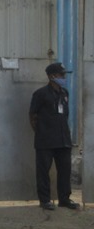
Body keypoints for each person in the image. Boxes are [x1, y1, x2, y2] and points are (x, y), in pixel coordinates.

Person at [28, 62, 79, 210]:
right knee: (43, 171)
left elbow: (65, 115)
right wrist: (40, 132)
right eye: (61, 75)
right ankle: (45, 200)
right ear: (52, 76)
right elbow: (32, 115)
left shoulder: (64, 93)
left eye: (64, 75)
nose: (64, 77)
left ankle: (64, 199)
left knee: (65, 170)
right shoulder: (41, 94)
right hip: (46, 140)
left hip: (63, 140)